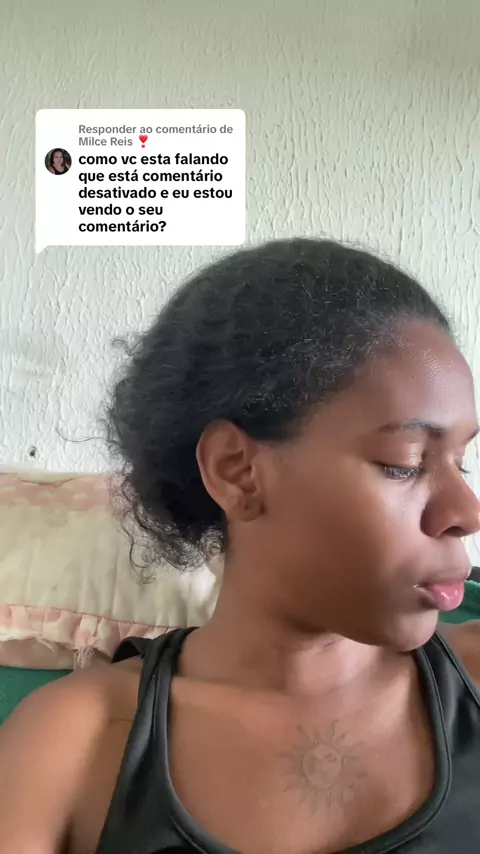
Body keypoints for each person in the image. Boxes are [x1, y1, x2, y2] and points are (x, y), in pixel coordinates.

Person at [0, 237, 480, 854]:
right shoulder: (75, 745)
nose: (467, 512)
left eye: (461, 461)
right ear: (238, 472)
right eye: (405, 462)